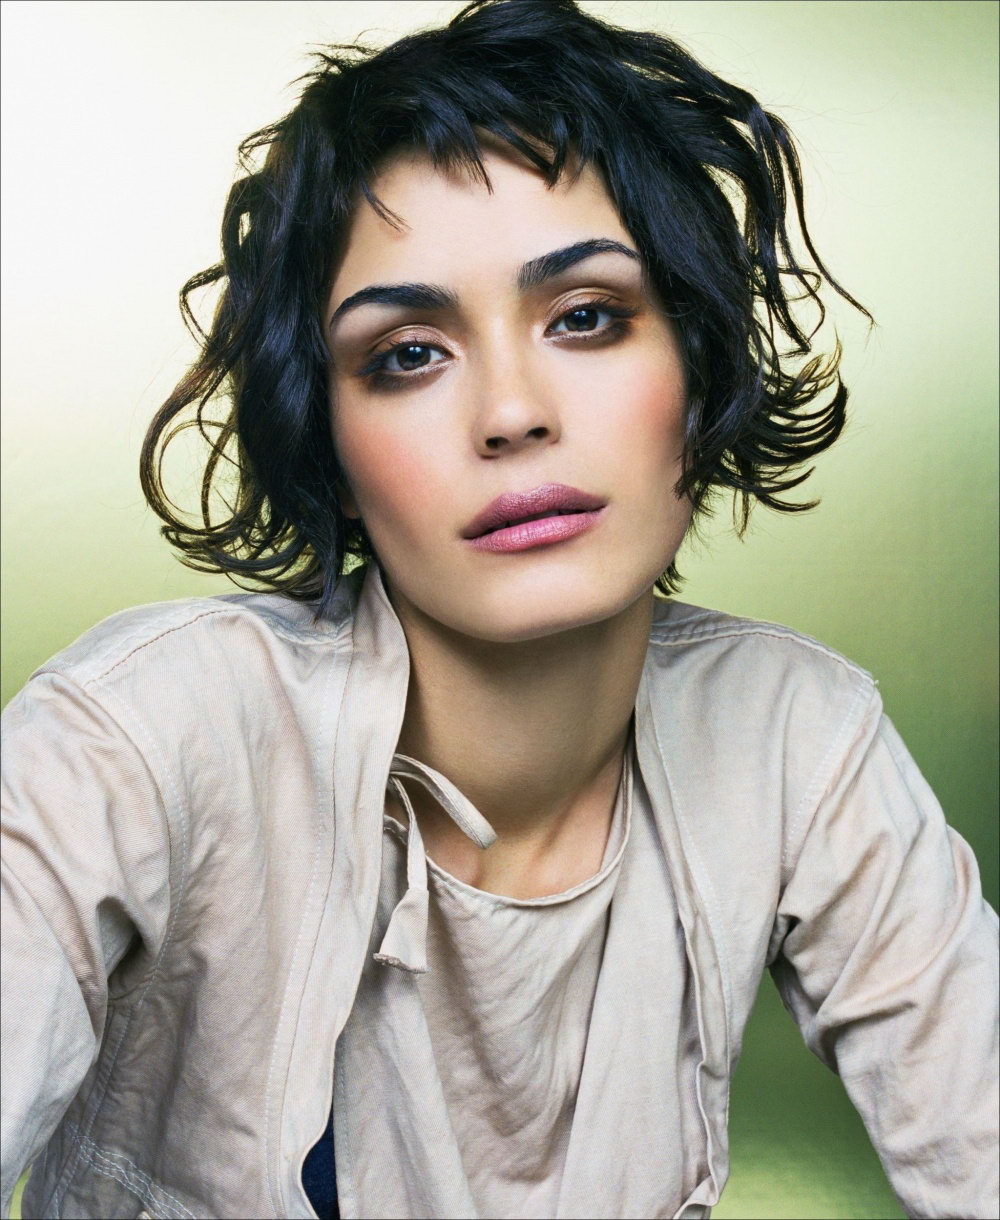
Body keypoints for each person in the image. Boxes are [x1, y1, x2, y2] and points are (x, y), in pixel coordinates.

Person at [1, 1, 996, 1218]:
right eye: (407, 353)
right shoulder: (139, 732)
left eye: (586, 316)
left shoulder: (794, 735)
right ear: (331, 447)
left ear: (698, 369)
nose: (512, 412)